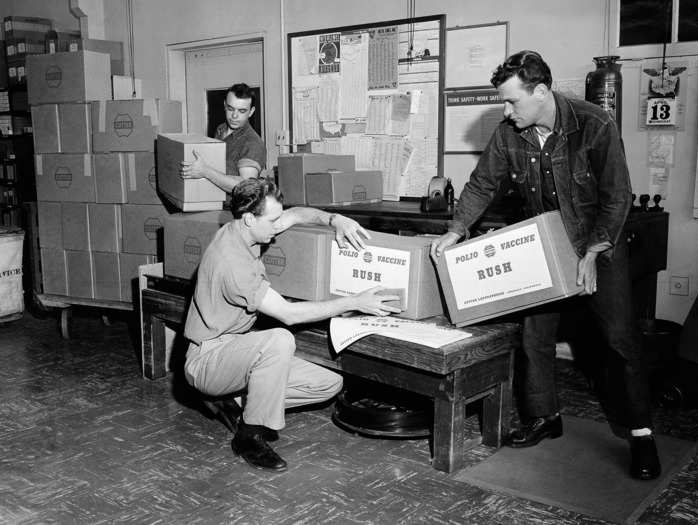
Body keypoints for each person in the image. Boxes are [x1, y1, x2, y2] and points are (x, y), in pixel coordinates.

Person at [430, 50, 661, 480]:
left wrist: (593, 253)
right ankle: (544, 416)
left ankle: (642, 434)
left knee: (618, 339)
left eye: (512, 101)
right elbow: (483, 183)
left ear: (541, 92)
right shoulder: (509, 133)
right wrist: (456, 229)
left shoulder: (595, 125)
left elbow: (617, 196)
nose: (505, 110)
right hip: (546, 243)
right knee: (535, 334)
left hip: (598, 243)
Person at [184, 178, 401, 472]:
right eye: (273, 220)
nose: (278, 226)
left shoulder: (245, 230)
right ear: (249, 218)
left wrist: (336, 220)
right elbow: (288, 314)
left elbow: (298, 214)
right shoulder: (232, 264)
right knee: (280, 339)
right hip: (208, 358)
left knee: (328, 384)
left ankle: (234, 399)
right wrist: (354, 302)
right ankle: (248, 436)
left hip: (235, 348)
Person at [180, 83, 267, 191]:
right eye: (231, 109)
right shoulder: (221, 129)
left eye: (242, 111)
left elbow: (246, 187)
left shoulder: (252, 143)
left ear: (251, 112)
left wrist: (205, 171)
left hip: (231, 207)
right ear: (225, 105)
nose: (234, 116)